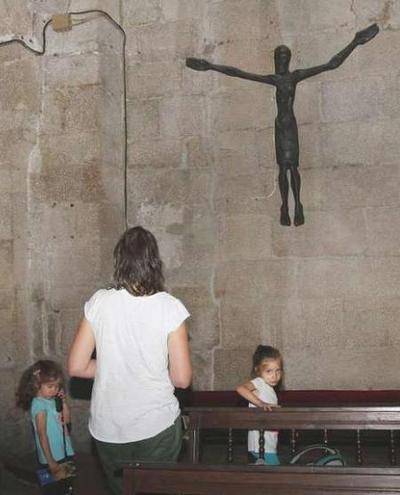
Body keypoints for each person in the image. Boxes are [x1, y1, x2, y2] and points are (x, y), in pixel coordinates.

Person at [186, 24, 379, 227]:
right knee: (283, 167)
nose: (281, 61)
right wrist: (210, 66)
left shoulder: (294, 77)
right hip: (280, 126)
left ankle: (298, 205)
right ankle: (284, 207)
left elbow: (332, 64)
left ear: (288, 60)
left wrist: (355, 42)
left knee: (293, 167)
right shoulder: (274, 79)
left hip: (290, 127)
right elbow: (238, 73)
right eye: (278, 57)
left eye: (284, 57)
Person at [68, 226, 192, 495]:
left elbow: (77, 366)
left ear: (119, 262)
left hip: (108, 428)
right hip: (155, 424)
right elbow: (182, 379)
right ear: (154, 262)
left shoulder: (99, 302)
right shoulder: (169, 307)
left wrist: (116, 365)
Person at [16, 360, 76, 484]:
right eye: (50, 386)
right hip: (51, 456)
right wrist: (50, 461)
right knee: (52, 488)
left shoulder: (53, 400)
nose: (54, 390)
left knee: (68, 484)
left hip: (64, 449)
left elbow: (67, 421)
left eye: (57, 386)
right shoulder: (39, 405)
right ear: (37, 384)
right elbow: (41, 434)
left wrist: (63, 402)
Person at [235, 345, 283, 465]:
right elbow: (240, 389)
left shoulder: (269, 389)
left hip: (268, 444)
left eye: (278, 371)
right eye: (269, 371)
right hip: (260, 446)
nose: (274, 375)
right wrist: (261, 403)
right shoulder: (260, 382)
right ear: (258, 370)